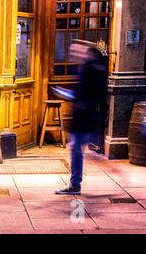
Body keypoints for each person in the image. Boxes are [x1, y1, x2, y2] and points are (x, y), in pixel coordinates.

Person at [55, 40, 108, 195]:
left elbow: (88, 94)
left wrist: (66, 94)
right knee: (78, 150)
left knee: (77, 150)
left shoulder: (91, 69)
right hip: (84, 117)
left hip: (85, 117)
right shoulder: (87, 67)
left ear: (83, 53)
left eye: (76, 52)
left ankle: (75, 185)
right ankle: (75, 183)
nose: (73, 55)